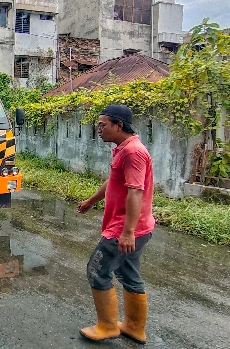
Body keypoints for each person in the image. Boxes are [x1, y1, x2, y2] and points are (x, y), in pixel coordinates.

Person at [77, 105, 154, 344]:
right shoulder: (124, 149)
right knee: (128, 274)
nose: (98, 129)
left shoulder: (133, 153)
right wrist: (91, 201)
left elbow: (135, 193)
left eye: (103, 125)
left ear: (118, 125)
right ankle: (133, 327)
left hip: (125, 229)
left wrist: (128, 232)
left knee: (97, 271)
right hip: (135, 228)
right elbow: (113, 181)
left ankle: (108, 326)